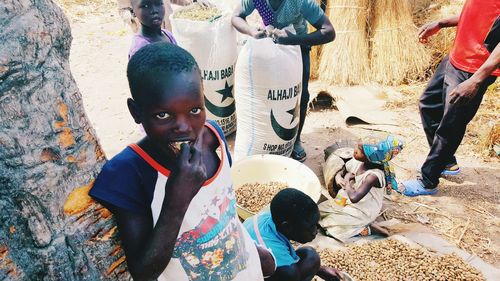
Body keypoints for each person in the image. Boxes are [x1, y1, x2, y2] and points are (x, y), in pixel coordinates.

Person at [89, 43, 272, 280]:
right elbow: (144, 272)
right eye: (163, 115)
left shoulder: (213, 138)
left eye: (195, 110)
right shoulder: (127, 173)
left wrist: (255, 253)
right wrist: (177, 201)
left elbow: (226, 208)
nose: (184, 128)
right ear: (136, 112)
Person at [401, 0, 499, 196]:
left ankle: (428, 180)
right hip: (457, 56)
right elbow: (477, 13)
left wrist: (476, 81)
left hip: (474, 69)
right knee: (428, 104)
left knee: (450, 125)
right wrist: (442, 23)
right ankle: (446, 161)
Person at [231, 0, 335, 162]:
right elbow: (236, 17)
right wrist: (251, 31)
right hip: (265, 44)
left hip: (298, 47)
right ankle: (266, 139)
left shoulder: (301, 2)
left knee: (299, 94)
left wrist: (295, 39)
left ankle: (296, 139)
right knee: (267, 94)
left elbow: (328, 31)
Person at [318, 135, 404, 241]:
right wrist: (338, 177)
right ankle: (350, 222)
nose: (355, 151)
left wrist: (346, 180)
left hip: (363, 209)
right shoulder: (358, 162)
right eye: (357, 147)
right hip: (347, 199)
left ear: (371, 158)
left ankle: (367, 229)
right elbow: (344, 170)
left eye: (359, 150)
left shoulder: (373, 176)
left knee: (332, 229)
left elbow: (355, 198)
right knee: (319, 212)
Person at [244, 188, 341, 281]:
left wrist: (319, 270)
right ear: (287, 227)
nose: (316, 231)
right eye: (311, 227)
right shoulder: (281, 264)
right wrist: (315, 268)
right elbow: (288, 273)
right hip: (247, 272)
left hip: (251, 258)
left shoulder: (272, 215)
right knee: (311, 258)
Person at [118, 0, 212, 33]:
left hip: (168, 30)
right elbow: (124, 7)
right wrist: (127, 13)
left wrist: (194, 0)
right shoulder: (139, 44)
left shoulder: (169, 37)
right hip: (147, 34)